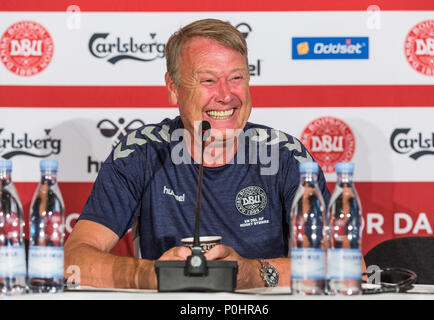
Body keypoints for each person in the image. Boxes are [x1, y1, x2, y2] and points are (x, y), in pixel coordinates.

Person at [64, 18, 336, 290]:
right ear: (173, 88)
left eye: (236, 78)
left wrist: (254, 273)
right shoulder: (140, 153)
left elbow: (345, 265)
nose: (226, 95)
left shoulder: (286, 156)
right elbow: (71, 262)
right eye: (208, 80)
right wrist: (152, 274)